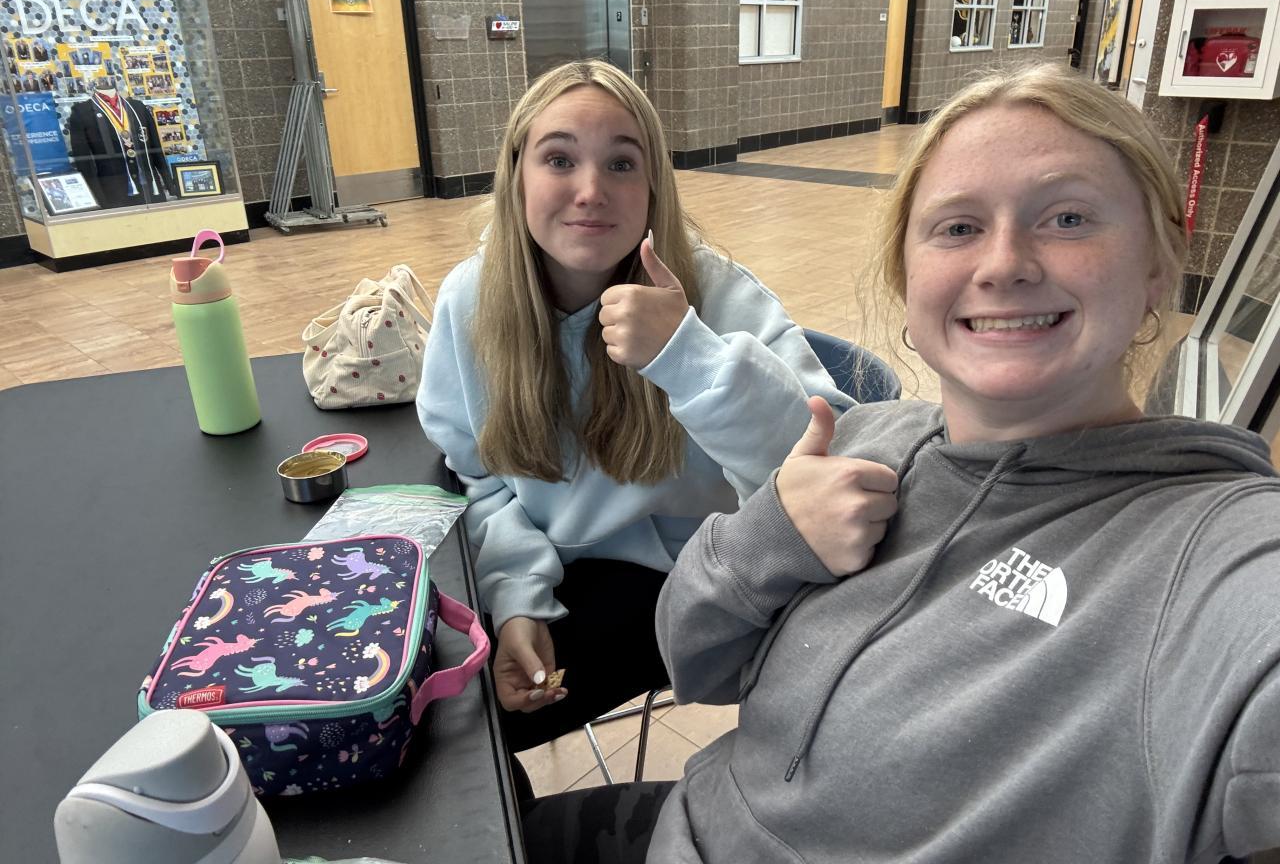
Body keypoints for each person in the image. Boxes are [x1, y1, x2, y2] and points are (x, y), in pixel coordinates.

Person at [520, 62, 1280, 864]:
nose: (1004, 264)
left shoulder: (1207, 552)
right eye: (958, 228)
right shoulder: (868, 439)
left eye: (1067, 218)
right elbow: (695, 657)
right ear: (907, 278)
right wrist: (768, 535)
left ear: (1159, 263)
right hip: (693, 824)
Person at [417, 60, 851, 779]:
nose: (591, 190)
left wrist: (688, 355)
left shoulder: (713, 292)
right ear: (517, 173)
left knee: (460, 743)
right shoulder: (470, 300)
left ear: (654, 187)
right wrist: (518, 599)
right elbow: (481, 478)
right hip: (550, 561)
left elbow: (826, 459)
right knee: (427, 700)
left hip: (690, 575)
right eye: (560, 159)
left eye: (622, 163)